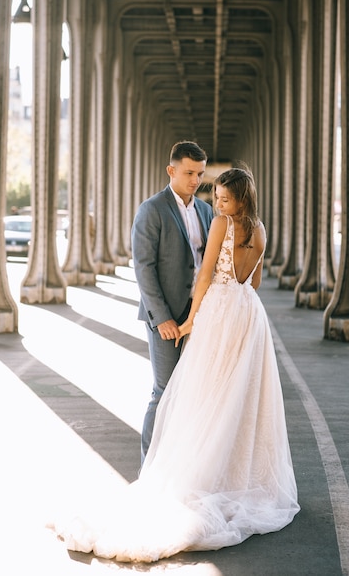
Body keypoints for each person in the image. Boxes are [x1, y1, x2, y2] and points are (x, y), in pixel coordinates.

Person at [50, 166, 300, 562]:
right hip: (249, 315)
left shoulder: (222, 224)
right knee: (240, 396)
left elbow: (203, 277)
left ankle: (200, 471)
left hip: (219, 310)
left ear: (239, 200)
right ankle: (236, 474)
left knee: (205, 393)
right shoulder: (261, 231)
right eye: (215, 197)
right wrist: (237, 293)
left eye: (223, 198)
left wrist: (188, 320)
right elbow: (253, 282)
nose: (217, 203)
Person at [130, 140, 214, 464]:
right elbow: (144, 267)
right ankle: (148, 469)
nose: (196, 180)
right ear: (172, 170)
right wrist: (161, 317)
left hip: (199, 315)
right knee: (163, 392)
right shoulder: (152, 209)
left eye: (200, 173)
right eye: (190, 172)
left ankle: (180, 468)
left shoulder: (207, 211)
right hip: (165, 316)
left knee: (194, 393)